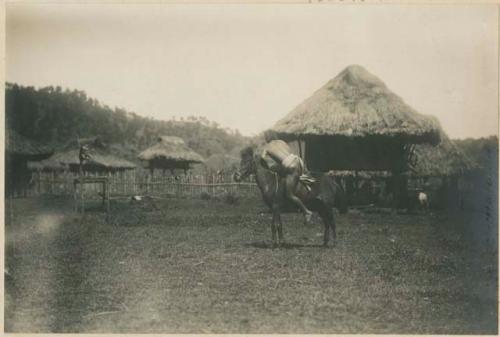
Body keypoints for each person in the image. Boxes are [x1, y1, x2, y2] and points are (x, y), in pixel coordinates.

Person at [261, 139, 313, 224]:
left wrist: (268, 167)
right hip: (297, 160)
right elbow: (289, 151)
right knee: (303, 178)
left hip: (290, 166)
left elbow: (262, 160)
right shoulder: (280, 142)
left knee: (290, 194)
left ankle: (306, 212)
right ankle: (311, 186)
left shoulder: (267, 147)